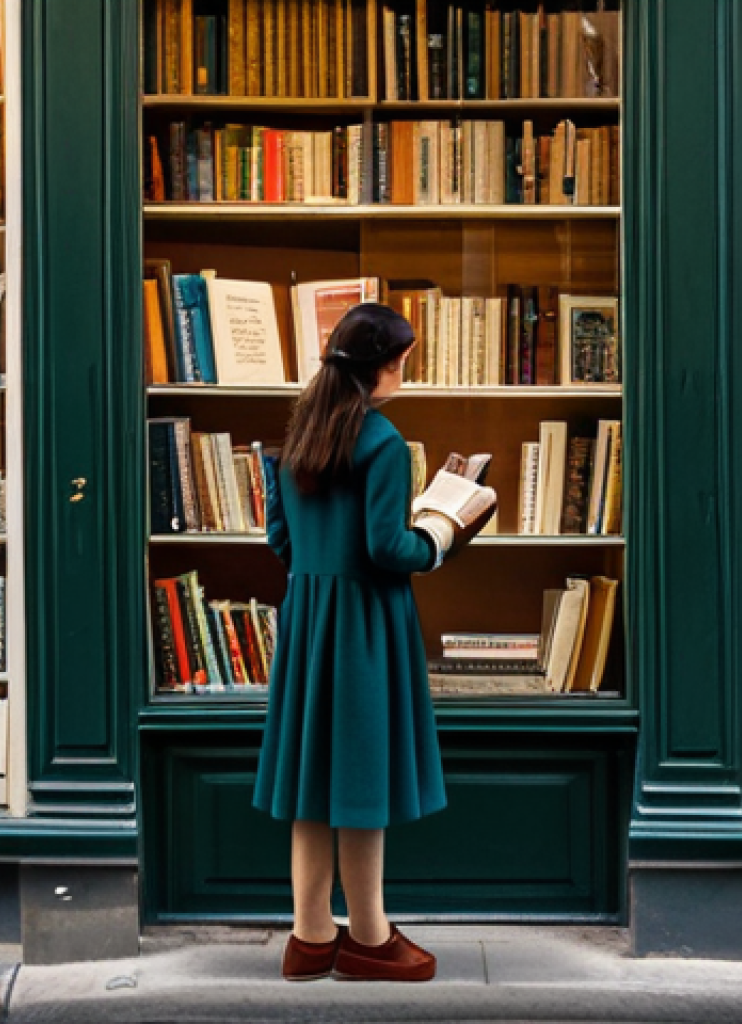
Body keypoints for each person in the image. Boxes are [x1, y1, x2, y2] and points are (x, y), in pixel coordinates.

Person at [252, 303, 491, 983]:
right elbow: (388, 549)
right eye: (402, 360)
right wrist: (440, 537)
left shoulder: (301, 433)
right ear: (381, 366)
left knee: (312, 782)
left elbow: (281, 540)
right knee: (362, 780)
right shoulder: (383, 442)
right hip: (364, 623)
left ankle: (308, 938)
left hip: (309, 619)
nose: (404, 372)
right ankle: (369, 938)